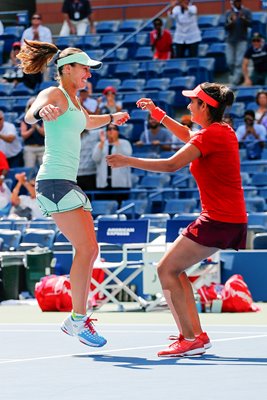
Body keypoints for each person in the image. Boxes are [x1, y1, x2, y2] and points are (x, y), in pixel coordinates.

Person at [107, 82, 248, 357]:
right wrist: (158, 114)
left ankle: (189, 338)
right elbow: (187, 134)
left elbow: (171, 164)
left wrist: (128, 160)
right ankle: (197, 336)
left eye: (193, 102)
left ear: (204, 107)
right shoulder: (220, 131)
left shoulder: (211, 136)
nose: (188, 105)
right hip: (226, 218)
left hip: (219, 219)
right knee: (175, 270)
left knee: (165, 269)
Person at [16, 39, 129, 347]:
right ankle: (77, 320)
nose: (88, 75)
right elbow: (30, 115)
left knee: (89, 250)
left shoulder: (76, 102)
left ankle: (76, 319)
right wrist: (42, 111)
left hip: (65, 183)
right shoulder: (55, 93)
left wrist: (111, 118)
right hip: (54, 182)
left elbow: (87, 121)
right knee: (88, 250)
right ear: (67, 70)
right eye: (84, 69)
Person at [92, 123, 132, 204]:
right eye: (109, 129)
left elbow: (127, 156)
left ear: (118, 132)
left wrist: (117, 143)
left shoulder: (124, 143)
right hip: (103, 184)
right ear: (106, 132)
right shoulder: (100, 144)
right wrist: (102, 144)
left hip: (120, 184)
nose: (111, 131)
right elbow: (95, 159)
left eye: (114, 129)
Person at [225, 0, 252, 86]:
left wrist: (243, 18)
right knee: (230, 61)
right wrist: (232, 21)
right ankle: (238, 77)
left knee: (239, 62)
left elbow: (250, 24)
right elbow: (226, 27)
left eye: (238, 1)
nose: (237, 3)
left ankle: (234, 82)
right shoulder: (228, 12)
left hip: (242, 40)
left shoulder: (246, 11)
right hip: (230, 40)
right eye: (235, 2)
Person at [20, 97, 45, 168]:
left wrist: (36, 126)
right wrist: (32, 129)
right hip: (30, 148)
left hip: (42, 147)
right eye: (30, 106)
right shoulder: (25, 119)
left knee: (45, 170)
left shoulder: (43, 118)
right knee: (29, 170)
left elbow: (45, 133)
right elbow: (23, 135)